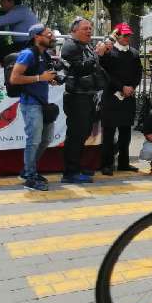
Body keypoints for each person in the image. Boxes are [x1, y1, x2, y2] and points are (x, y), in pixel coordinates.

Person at [9, 24, 58, 191]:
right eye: (48, 34)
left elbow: (43, 77)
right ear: (37, 37)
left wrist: (50, 79)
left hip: (42, 104)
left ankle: (28, 170)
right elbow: (14, 78)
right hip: (30, 104)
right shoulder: (27, 54)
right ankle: (29, 177)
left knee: (46, 139)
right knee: (34, 141)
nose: (52, 37)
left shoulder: (45, 55)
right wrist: (40, 77)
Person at [61, 18, 110, 183]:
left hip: (88, 96)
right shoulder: (70, 46)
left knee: (83, 134)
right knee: (75, 135)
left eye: (90, 28)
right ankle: (70, 172)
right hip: (76, 96)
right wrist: (98, 54)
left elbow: (95, 67)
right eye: (85, 29)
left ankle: (76, 167)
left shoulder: (86, 45)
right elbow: (80, 69)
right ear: (74, 31)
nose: (89, 31)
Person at [99, 23, 142, 175]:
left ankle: (124, 162)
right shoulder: (109, 52)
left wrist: (132, 88)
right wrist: (121, 87)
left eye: (129, 35)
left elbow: (138, 74)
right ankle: (107, 164)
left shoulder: (135, 53)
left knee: (126, 133)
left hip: (128, 98)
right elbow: (105, 74)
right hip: (111, 97)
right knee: (109, 134)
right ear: (117, 35)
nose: (127, 38)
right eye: (124, 35)